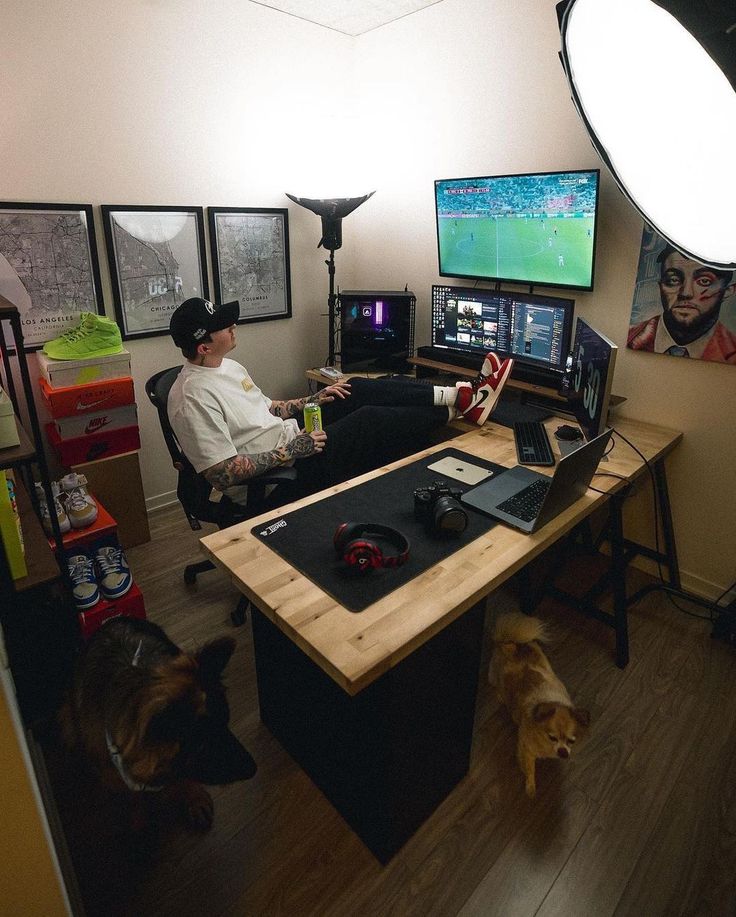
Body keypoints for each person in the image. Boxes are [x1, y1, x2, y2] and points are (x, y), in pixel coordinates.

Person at [166, 298, 514, 504]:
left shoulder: (226, 365)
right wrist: (292, 450)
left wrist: (312, 398)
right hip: (283, 468)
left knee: (355, 389)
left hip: (296, 436)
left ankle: (461, 396)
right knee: (371, 419)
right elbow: (222, 474)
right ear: (203, 346)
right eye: (222, 326)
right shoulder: (191, 398)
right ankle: (461, 406)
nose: (232, 326)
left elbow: (267, 408)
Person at [628, 245, 736, 362]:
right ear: (661, 286)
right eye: (673, 280)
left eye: (704, 281)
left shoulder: (731, 353)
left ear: (727, 291)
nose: (686, 293)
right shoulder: (631, 336)